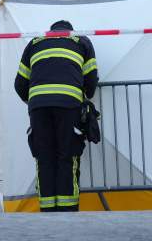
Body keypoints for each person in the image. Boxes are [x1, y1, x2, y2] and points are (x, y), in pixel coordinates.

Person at [14, 19, 98, 212]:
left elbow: (19, 84)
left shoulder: (34, 43)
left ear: (50, 32)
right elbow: (91, 81)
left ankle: (48, 212)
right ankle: (67, 212)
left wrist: (37, 101)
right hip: (69, 106)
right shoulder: (81, 41)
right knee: (67, 157)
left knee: (45, 158)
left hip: (39, 108)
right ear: (70, 31)